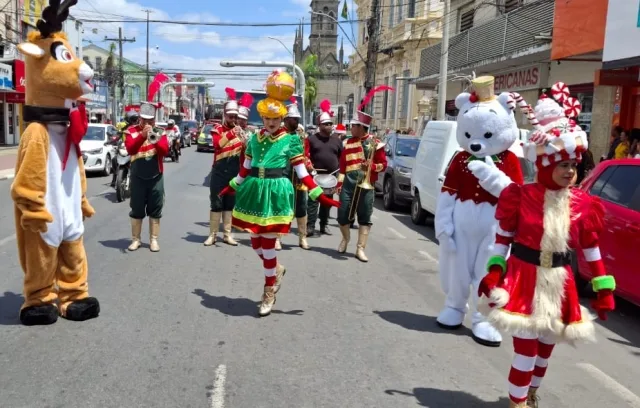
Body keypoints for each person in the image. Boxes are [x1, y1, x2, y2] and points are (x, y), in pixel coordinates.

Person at [478, 89, 615, 408]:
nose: (570, 171)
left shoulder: (583, 203)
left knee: (544, 349)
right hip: (524, 279)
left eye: (573, 164)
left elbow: (591, 247)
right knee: (525, 349)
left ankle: (531, 393)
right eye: (562, 164)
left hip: (560, 282)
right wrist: (495, 272)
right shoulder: (520, 197)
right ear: (544, 163)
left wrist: (603, 287)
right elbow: (502, 239)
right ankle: (518, 403)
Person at [220, 70, 340, 317]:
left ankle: (268, 291)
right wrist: (232, 184)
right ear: (262, 117)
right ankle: (276, 270)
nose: (270, 123)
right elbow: (246, 168)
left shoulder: (291, 141)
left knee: (267, 242)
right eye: (266, 118)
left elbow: (303, 173)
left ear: (282, 118)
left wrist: (319, 194)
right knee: (254, 242)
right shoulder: (254, 139)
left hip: (277, 192)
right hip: (255, 189)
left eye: (275, 119)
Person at [11, 0, 100, 325]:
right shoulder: (37, 131)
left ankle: (74, 294)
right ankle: (39, 298)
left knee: (74, 252)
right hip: (45, 211)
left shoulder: (65, 128)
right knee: (41, 256)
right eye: (65, 57)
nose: (80, 68)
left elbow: (75, 167)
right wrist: (32, 207)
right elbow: (28, 177)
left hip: (69, 209)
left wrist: (81, 199)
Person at [336, 87, 390, 262]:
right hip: (348, 184)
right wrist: (339, 183)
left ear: (362, 127)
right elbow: (342, 166)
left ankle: (360, 248)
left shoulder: (376, 143)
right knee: (342, 214)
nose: (351, 128)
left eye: (354, 126)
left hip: (366, 185)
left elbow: (384, 165)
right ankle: (345, 238)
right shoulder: (347, 143)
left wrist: (372, 166)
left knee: (365, 216)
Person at [124, 102, 169, 252]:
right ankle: (136, 239)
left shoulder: (160, 131)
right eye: (145, 121)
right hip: (137, 177)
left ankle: (153, 240)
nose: (148, 124)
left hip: (155, 176)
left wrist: (153, 138)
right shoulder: (131, 132)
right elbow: (131, 149)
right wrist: (142, 136)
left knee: (155, 207)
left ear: (154, 121)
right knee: (136, 208)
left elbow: (164, 151)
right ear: (140, 119)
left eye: (151, 121)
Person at [203, 88, 244, 246]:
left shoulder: (240, 131)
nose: (233, 119)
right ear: (224, 115)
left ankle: (227, 235)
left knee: (229, 204)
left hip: (234, 172)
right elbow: (217, 145)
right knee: (216, 203)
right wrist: (232, 133)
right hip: (219, 172)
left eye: (235, 116)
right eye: (230, 116)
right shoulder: (217, 129)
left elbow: (247, 151)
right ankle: (212, 235)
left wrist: (243, 137)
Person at [278, 99, 313, 250]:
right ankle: (277, 238)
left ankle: (302, 238)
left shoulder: (302, 137)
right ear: (286, 120)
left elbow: (306, 154)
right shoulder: (278, 135)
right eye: (294, 119)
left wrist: (308, 162)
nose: (297, 121)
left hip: (299, 178)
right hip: (283, 176)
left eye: (298, 119)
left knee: (302, 207)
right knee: (280, 207)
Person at [306, 100, 343, 236]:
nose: (329, 126)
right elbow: (306, 156)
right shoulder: (312, 139)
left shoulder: (337, 141)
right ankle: (310, 226)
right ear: (319, 125)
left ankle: (324, 224)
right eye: (326, 124)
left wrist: (338, 174)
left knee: (327, 203)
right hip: (315, 177)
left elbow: (341, 157)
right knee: (313, 202)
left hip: (331, 177)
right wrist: (310, 169)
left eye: (330, 124)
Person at [111, 110, 139, 187]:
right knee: (114, 160)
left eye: (134, 119)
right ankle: (114, 178)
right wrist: (111, 140)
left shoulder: (140, 128)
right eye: (132, 119)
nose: (133, 122)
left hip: (136, 148)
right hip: (125, 147)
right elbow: (118, 135)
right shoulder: (125, 128)